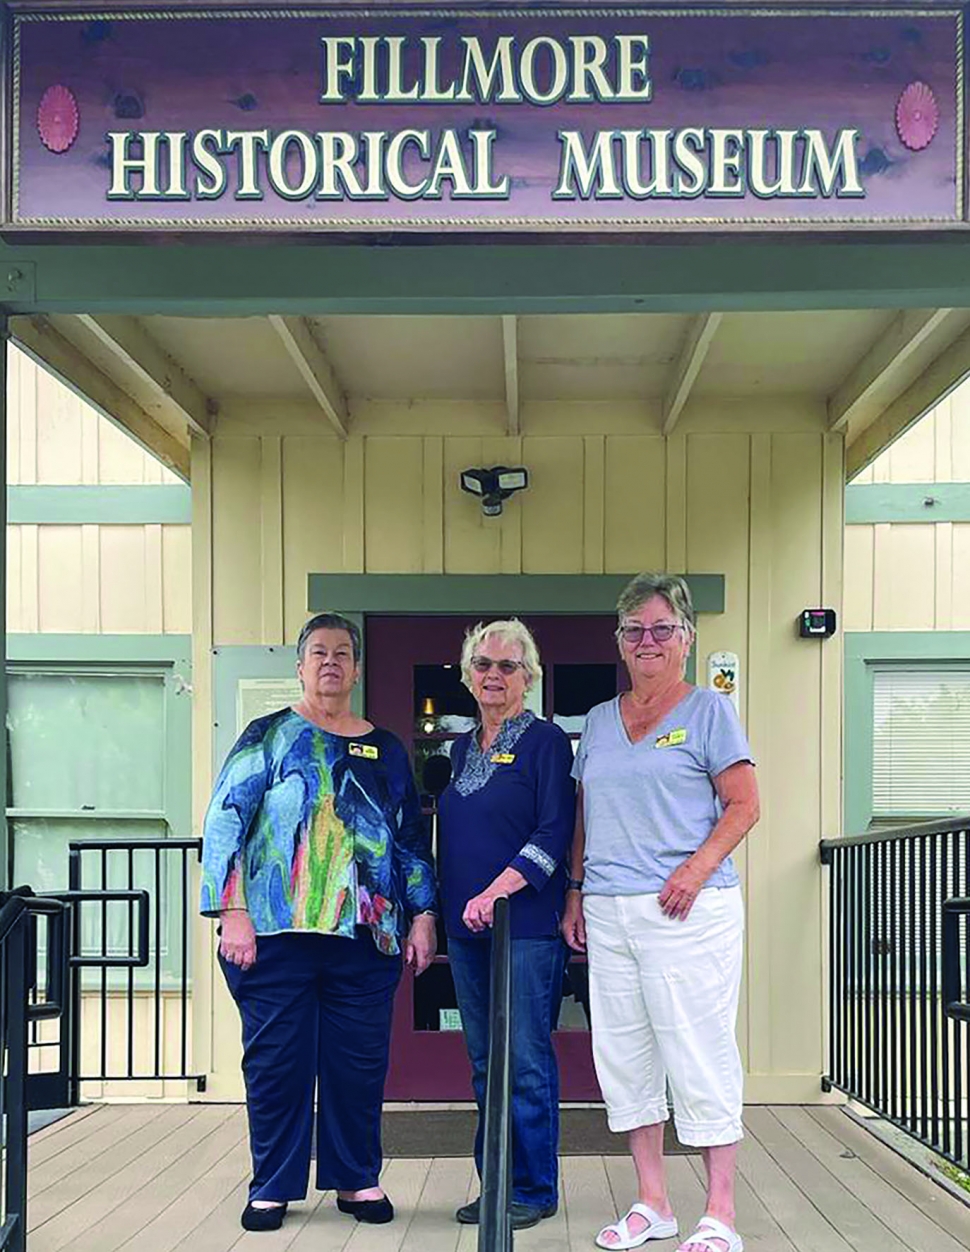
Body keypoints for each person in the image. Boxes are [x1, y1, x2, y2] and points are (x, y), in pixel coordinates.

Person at [200, 612, 437, 1233]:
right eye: (318, 653)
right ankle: (271, 1185)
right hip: (276, 933)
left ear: (357, 669)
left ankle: (357, 1179)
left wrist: (423, 915)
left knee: (357, 1065)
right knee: (277, 1063)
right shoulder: (267, 736)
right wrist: (233, 911)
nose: (330, 662)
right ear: (300, 667)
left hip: (368, 936)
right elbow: (226, 821)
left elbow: (410, 840)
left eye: (342, 653)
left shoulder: (386, 749)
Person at [562, 574, 760, 1252]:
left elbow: (744, 805)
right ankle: (653, 1204)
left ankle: (720, 1214)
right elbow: (587, 812)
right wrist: (576, 890)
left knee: (698, 1052)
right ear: (620, 642)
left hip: (688, 910)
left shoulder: (709, 711)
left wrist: (695, 870)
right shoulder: (597, 720)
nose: (647, 641)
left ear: (686, 638)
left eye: (660, 629)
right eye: (634, 631)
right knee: (625, 1056)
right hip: (611, 912)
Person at [437, 619, 575, 1231]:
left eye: (507, 666)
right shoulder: (459, 748)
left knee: (524, 1060)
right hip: (467, 932)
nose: (494, 676)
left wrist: (497, 891)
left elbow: (554, 831)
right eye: (483, 665)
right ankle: (494, 1182)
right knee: (484, 1062)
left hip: (524, 926)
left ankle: (533, 1187)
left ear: (529, 676)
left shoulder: (547, 743)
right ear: (469, 675)